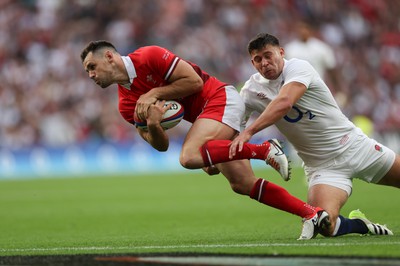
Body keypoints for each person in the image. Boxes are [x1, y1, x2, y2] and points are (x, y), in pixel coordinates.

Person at [80, 40, 329, 239]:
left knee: (189, 157)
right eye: (87, 71)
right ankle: (311, 214)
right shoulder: (126, 104)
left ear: (110, 57)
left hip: (219, 98)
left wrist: (154, 92)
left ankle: (263, 149)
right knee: (241, 183)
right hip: (208, 118)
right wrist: (154, 124)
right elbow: (160, 144)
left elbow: (195, 81)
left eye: (92, 66)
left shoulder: (148, 56)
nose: (91, 74)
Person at [230, 33, 399, 239]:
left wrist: (249, 132)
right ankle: (361, 225)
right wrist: (216, 155)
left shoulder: (299, 67)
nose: (264, 63)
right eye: (258, 59)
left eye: (268, 55)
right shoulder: (250, 91)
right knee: (325, 224)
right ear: (252, 63)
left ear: (281, 52)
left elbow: (284, 102)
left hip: (355, 147)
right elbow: (232, 128)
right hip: (322, 166)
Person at [284, 20, 343, 95]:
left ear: (311, 30)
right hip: (295, 90)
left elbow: (332, 71)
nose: (303, 31)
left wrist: (339, 91)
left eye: (305, 28)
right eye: (300, 28)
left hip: (317, 90)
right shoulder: (290, 49)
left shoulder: (322, 48)